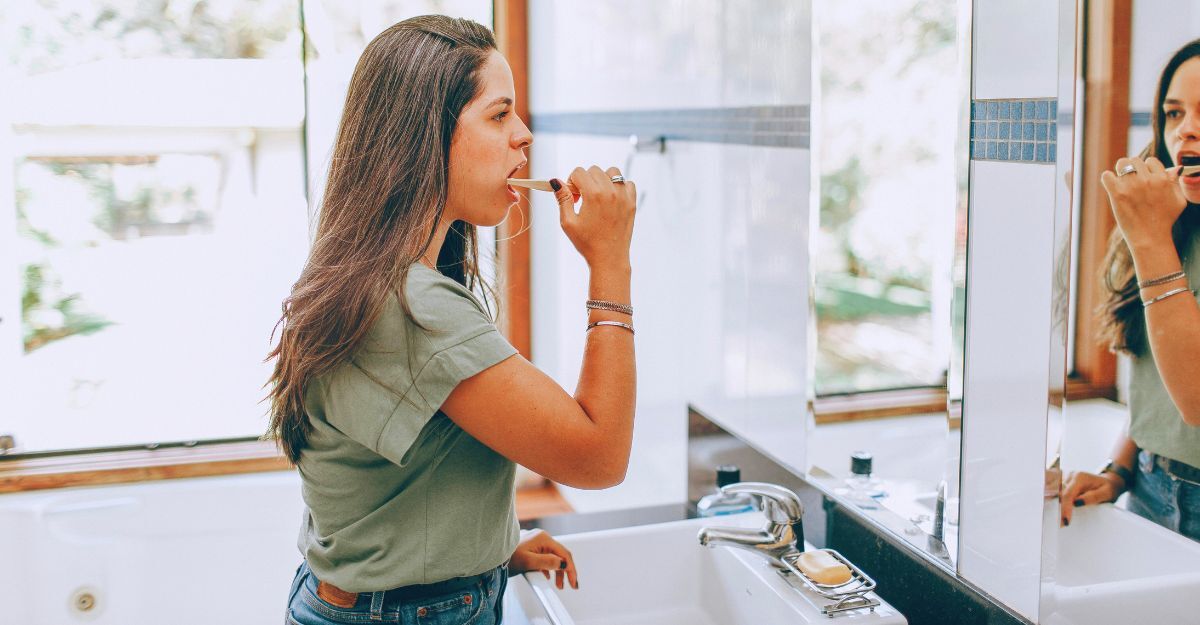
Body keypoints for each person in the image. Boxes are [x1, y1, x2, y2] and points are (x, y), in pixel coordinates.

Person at [264, 15, 638, 624]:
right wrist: (612, 263)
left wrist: (492, 552)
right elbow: (599, 459)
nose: (525, 136)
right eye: (499, 115)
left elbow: (392, 490)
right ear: (425, 139)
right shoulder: (414, 307)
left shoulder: (369, 278)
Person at [1061, 39, 1200, 540]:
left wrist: (1148, 239)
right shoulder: (1175, 225)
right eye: (1173, 112)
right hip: (1148, 485)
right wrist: (1117, 472)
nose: (1185, 130)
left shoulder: (1156, 232)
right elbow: (1157, 378)